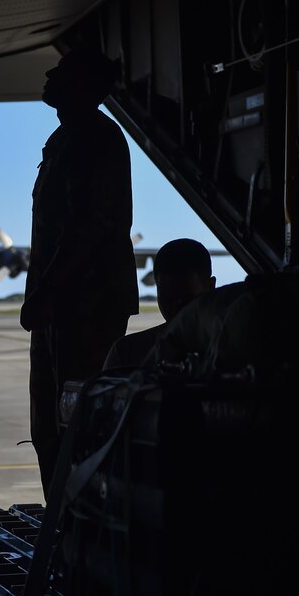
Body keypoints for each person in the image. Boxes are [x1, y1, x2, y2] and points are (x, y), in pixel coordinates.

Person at [20, 49, 138, 499]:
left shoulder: (94, 137)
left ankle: (83, 528)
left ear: (84, 86)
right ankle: (63, 529)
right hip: (62, 307)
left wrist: (46, 292)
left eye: (63, 73)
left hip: (85, 306)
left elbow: (87, 226)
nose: (50, 76)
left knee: (79, 422)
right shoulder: (67, 138)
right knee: (52, 422)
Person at [103, 238, 216, 369]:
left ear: (211, 287)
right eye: (168, 300)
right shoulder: (125, 352)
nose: (176, 311)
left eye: (188, 301)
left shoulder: (129, 352)